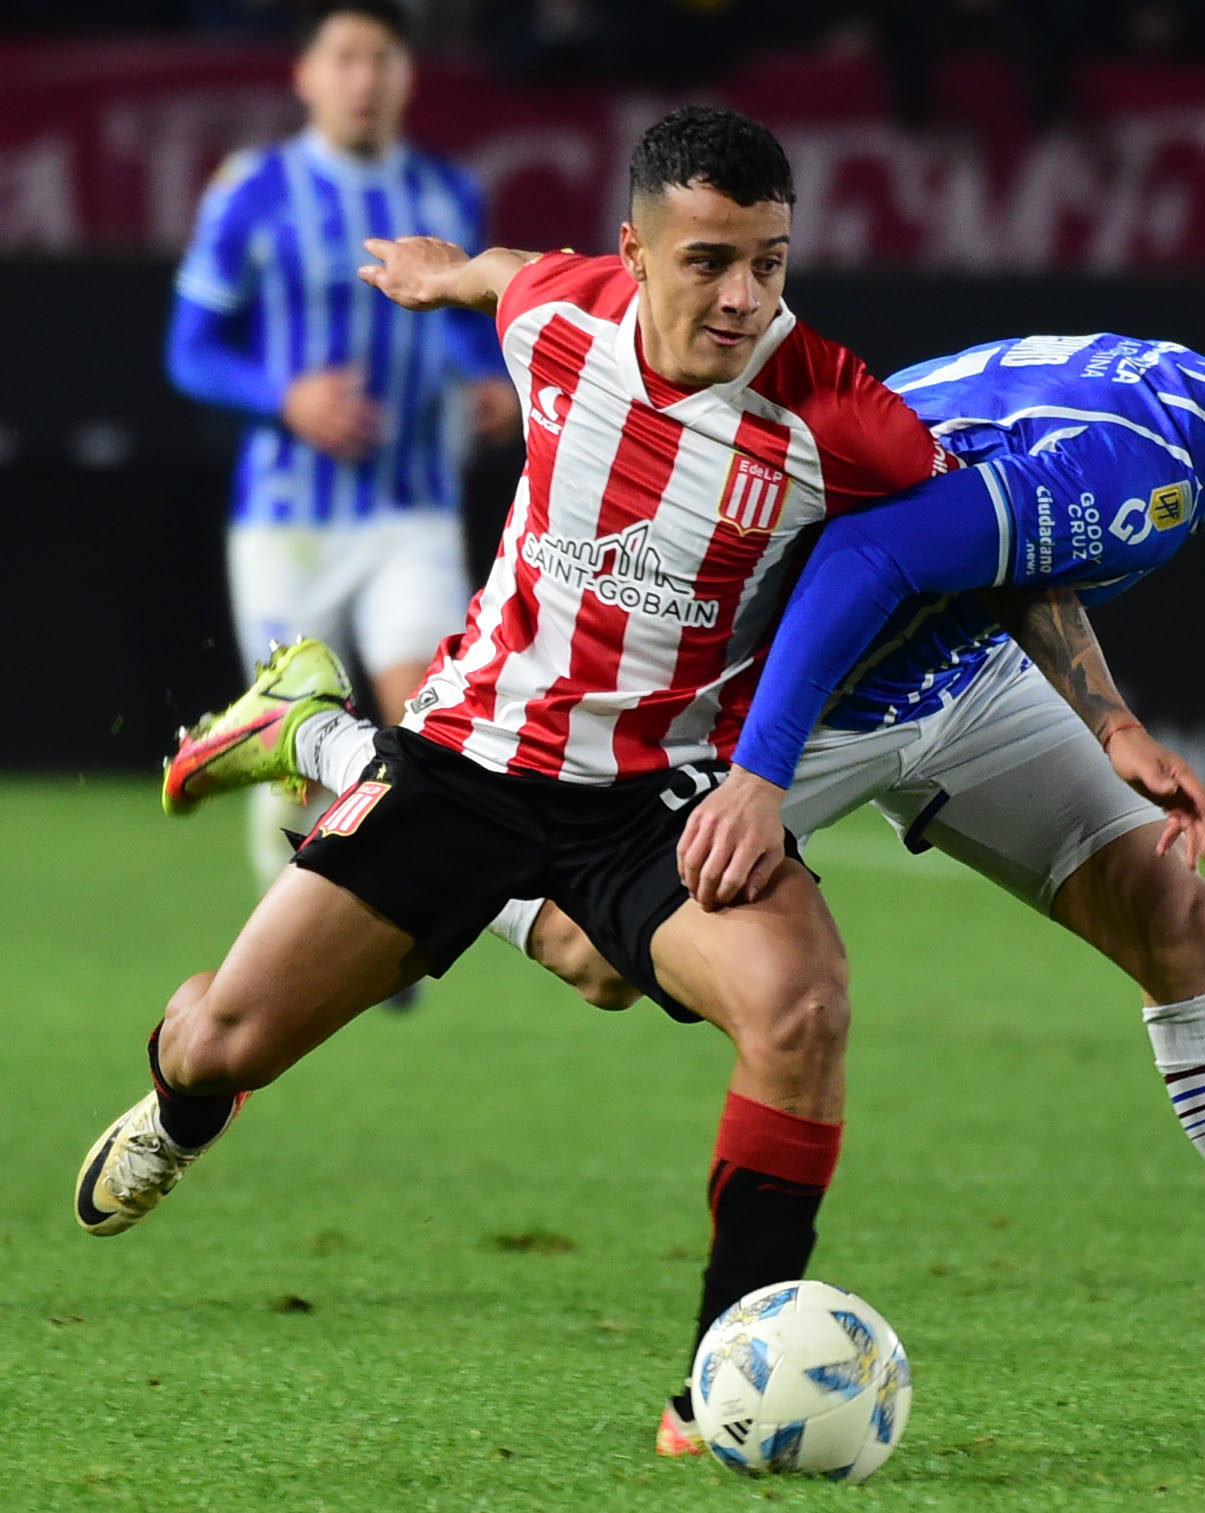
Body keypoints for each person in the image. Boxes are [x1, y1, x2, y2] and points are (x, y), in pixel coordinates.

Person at [164, 299, 1205, 1445]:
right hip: (791, 692)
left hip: (951, 681)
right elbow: (869, 550)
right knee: (592, 962)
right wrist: (752, 777)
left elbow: (1009, 540)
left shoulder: (1189, 419)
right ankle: (326, 742)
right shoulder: (1147, 456)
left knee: (1178, 914)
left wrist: (1105, 721)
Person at [78, 109, 969, 1432]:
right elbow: (518, 272)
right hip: (465, 766)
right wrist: (445, 273)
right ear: (637, 252)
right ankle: (303, 759)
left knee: (799, 1007)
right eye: (710, 260)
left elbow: (986, 531)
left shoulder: (836, 412)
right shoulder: (565, 314)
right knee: (222, 1043)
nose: (742, 298)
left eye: (771, 264)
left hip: (647, 797)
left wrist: (1103, 715)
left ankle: (718, 1391)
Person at [163, 0, 518, 893]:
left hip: (414, 511)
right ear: (306, 76)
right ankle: (303, 910)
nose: (365, 79)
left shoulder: (447, 193)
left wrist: (491, 383)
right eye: (346, 58)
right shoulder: (254, 190)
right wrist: (284, 396)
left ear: (408, 76)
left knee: (425, 727)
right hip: (288, 522)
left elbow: (467, 334)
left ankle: (394, 917)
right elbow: (190, 349)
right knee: (301, 744)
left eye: (383, 59)